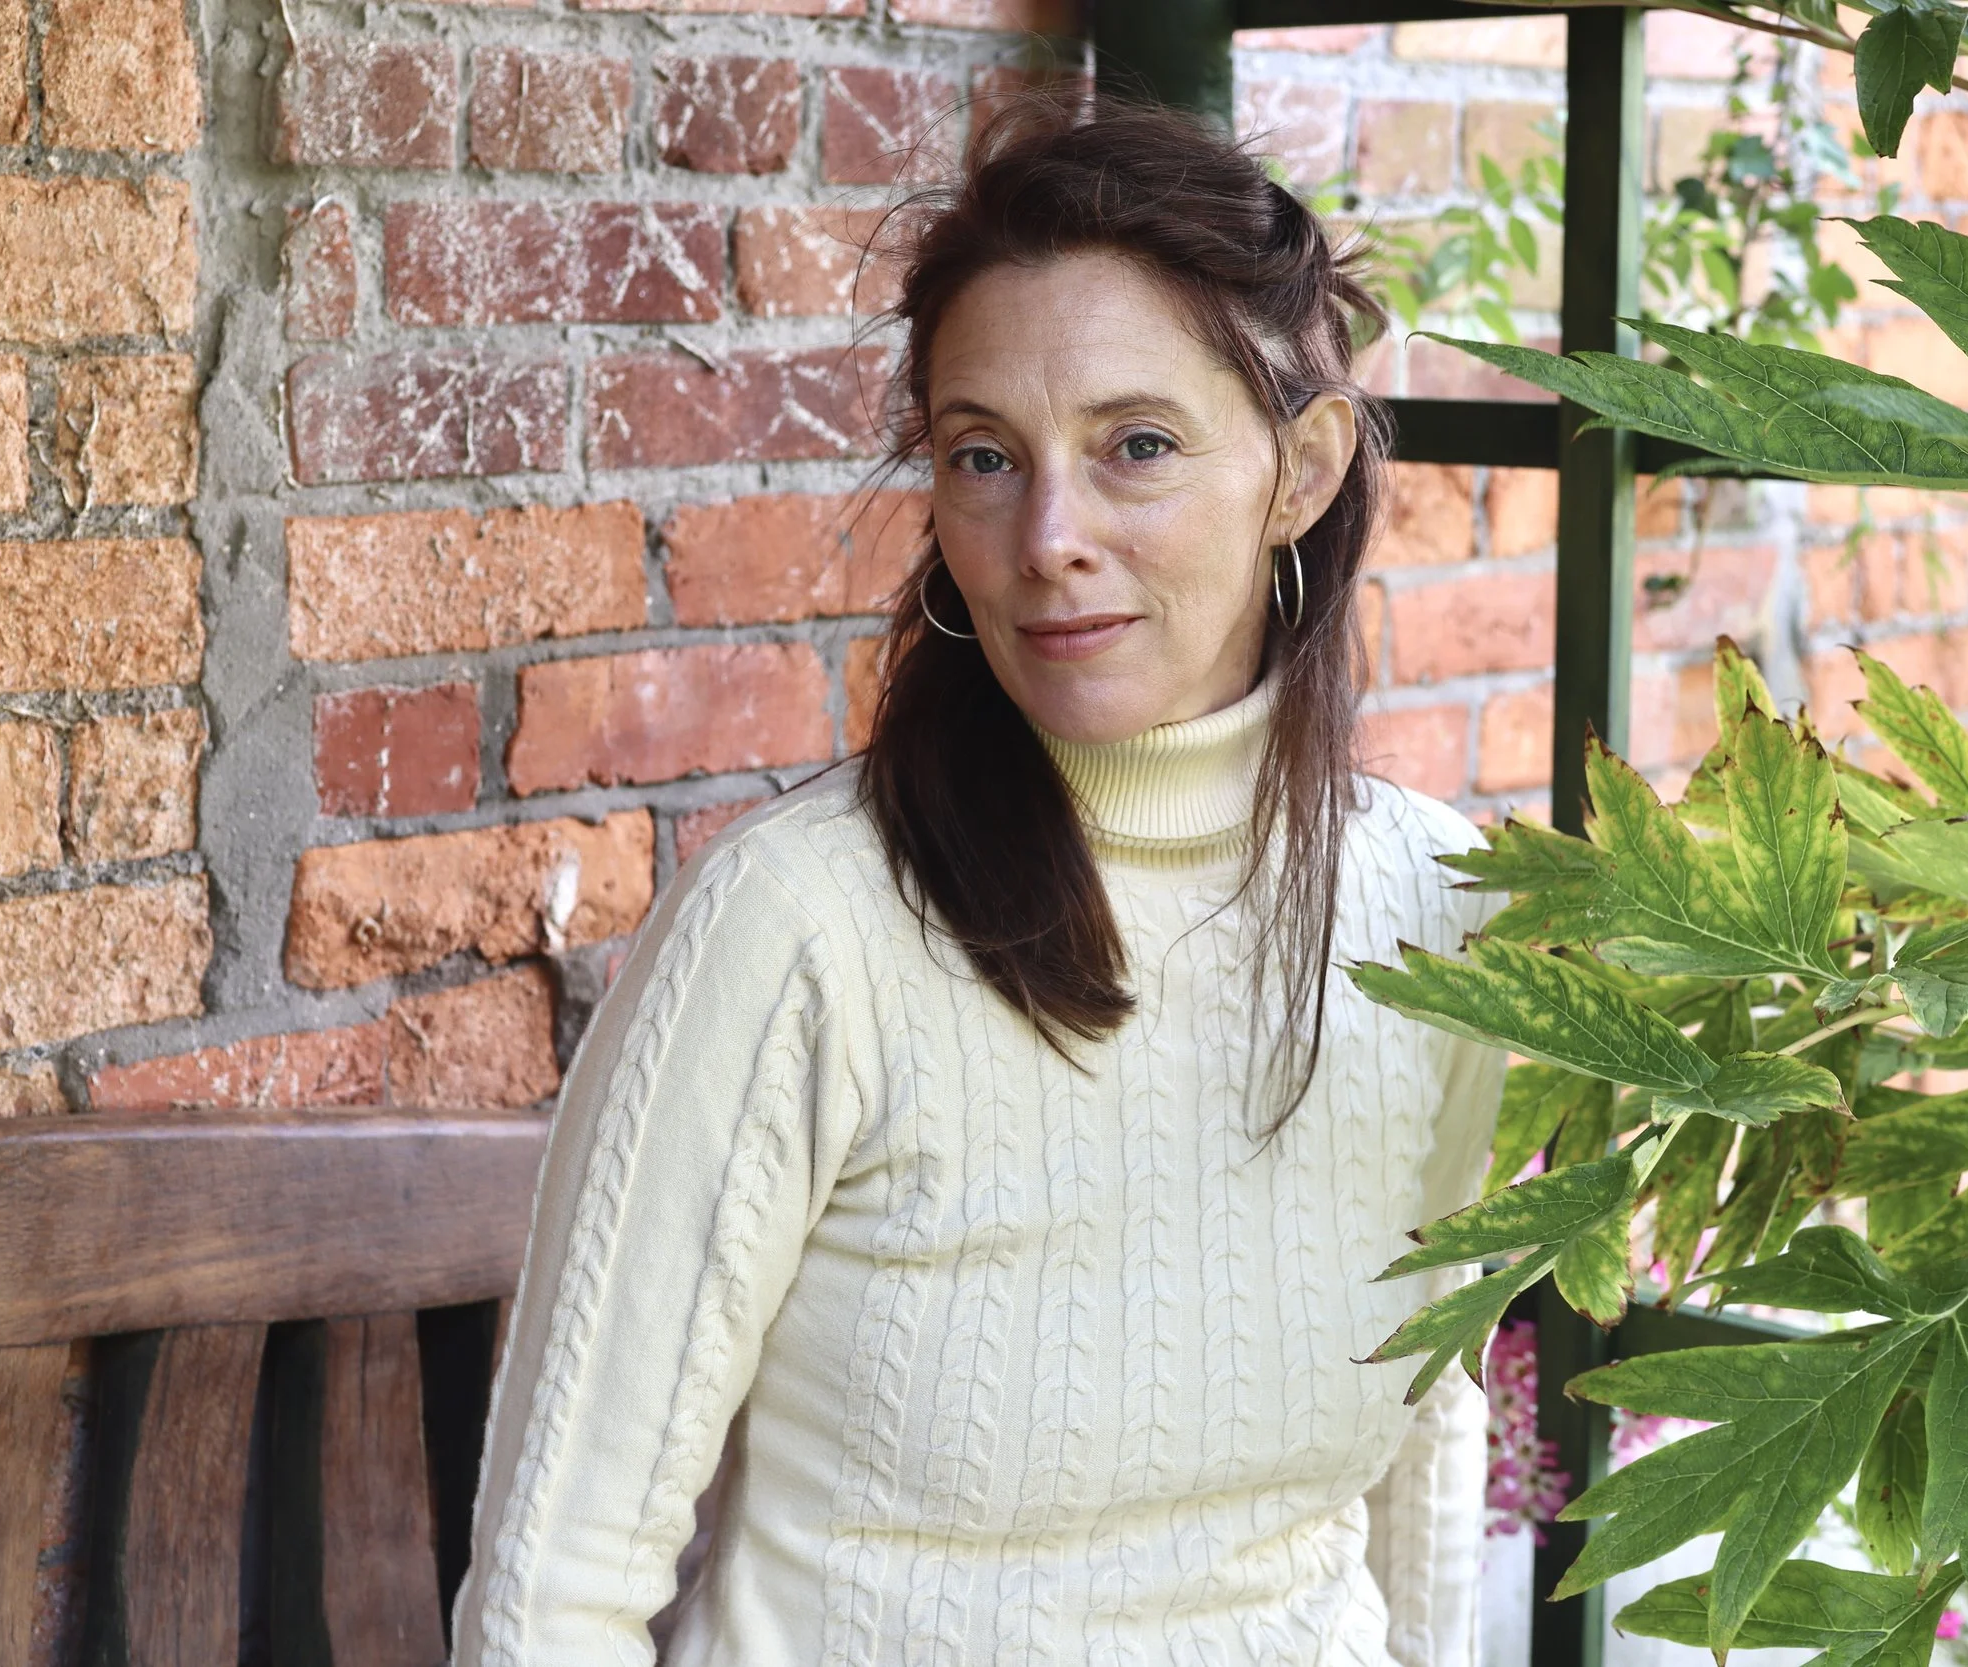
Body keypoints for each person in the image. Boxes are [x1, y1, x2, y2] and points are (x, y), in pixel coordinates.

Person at [452, 95, 1509, 1667]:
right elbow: (559, 1591)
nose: (1049, 536)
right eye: (982, 458)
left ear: (1300, 471)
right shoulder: (802, 929)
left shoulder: (1445, 910)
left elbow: (1426, 1441)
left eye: (1136, 447)